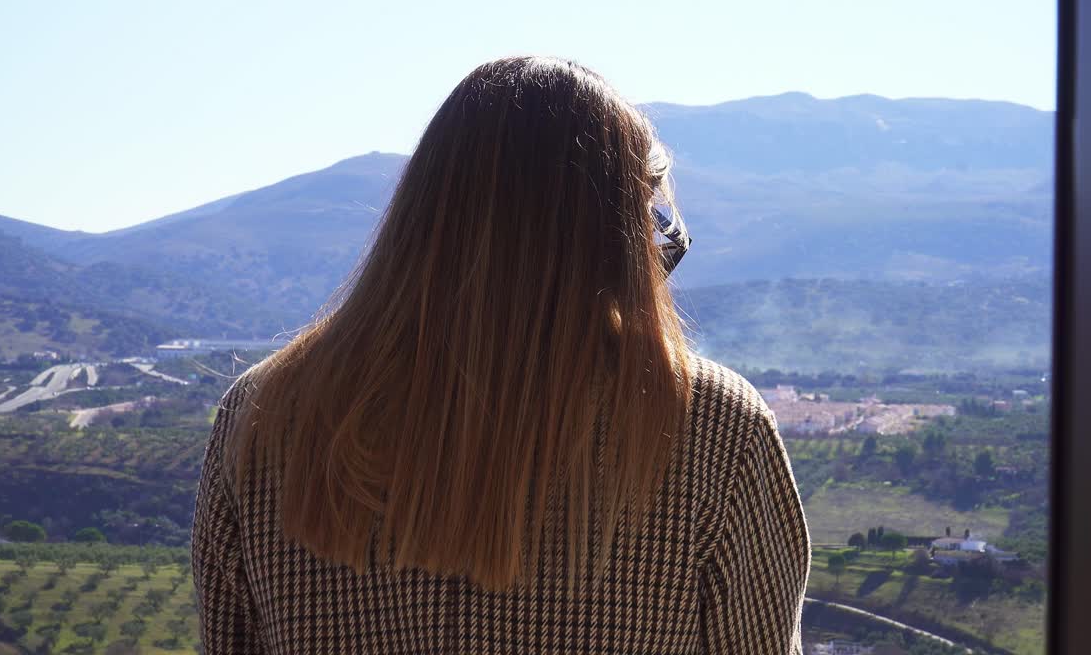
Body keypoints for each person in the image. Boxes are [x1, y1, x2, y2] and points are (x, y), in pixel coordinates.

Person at [191, 56, 810, 653]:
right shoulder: (713, 429)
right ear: (613, 240)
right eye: (654, 227)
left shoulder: (265, 415)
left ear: (422, 211)